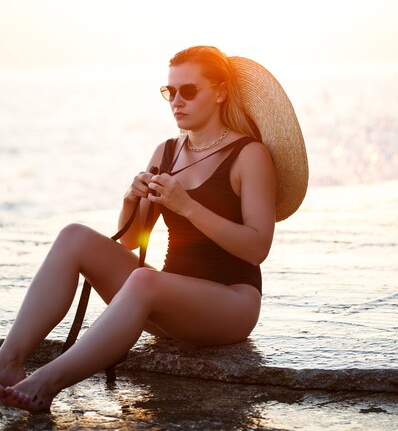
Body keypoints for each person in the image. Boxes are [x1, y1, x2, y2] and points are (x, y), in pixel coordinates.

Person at [0, 45, 308, 413]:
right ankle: (8, 362)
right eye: (170, 92)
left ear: (221, 91)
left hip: (231, 304)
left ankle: (45, 384)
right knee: (73, 236)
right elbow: (131, 239)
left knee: (145, 281)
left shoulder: (248, 154)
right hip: (167, 302)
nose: (177, 101)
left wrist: (188, 207)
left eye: (189, 90)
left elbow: (258, 247)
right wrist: (130, 199)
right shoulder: (167, 152)